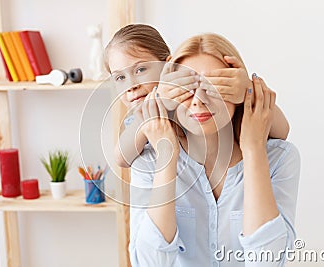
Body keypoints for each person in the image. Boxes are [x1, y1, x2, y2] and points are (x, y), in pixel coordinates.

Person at [129, 33, 301, 266]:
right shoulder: (148, 163)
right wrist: (167, 160)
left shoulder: (280, 158)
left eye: (213, 87)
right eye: (186, 88)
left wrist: (253, 150)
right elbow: (150, 263)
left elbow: (268, 261)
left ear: (238, 94)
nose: (198, 101)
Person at [105, 24, 290, 168]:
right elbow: (121, 158)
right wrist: (159, 101)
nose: (131, 85)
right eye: (120, 77)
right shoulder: (135, 119)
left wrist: (248, 89)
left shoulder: (195, 101)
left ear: (169, 66)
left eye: (141, 69)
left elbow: (282, 131)